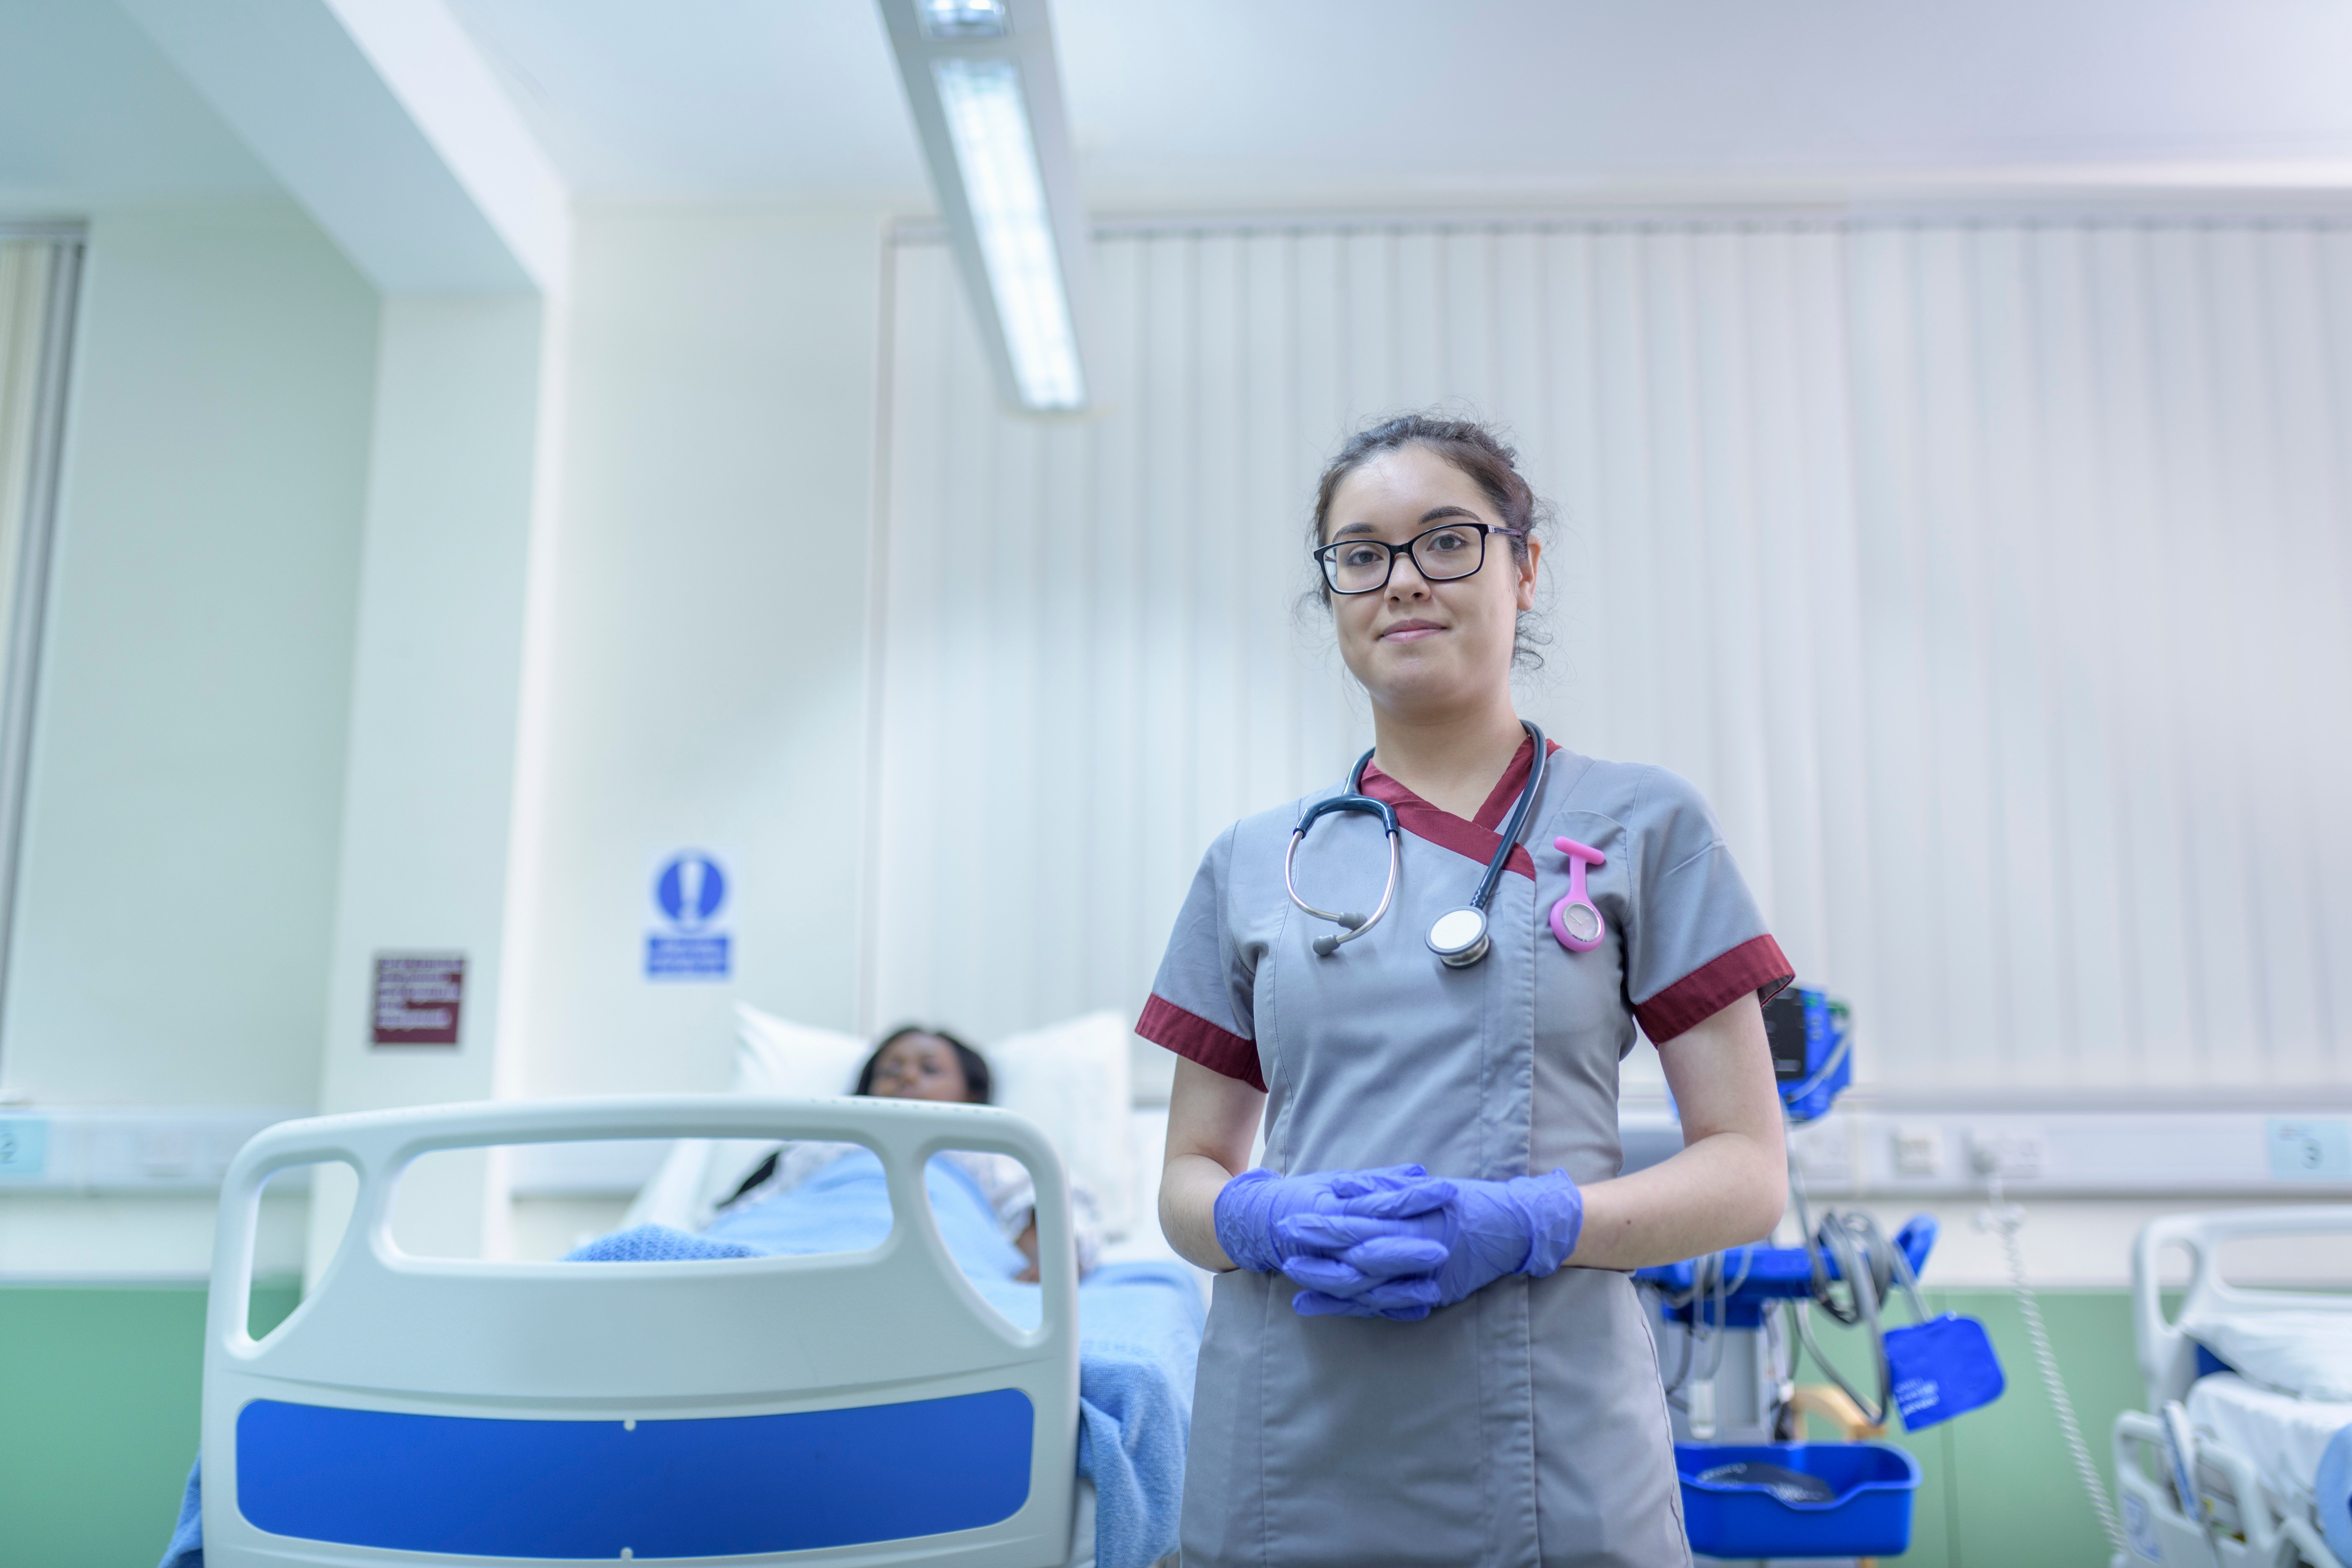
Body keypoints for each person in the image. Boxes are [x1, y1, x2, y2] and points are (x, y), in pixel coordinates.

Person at [1141, 414, 1793, 1566]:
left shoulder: (1641, 825)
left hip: (1551, 1435)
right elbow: (1188, 1175)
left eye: (1446, 540)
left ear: (1523, 567)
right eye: (1362, 554)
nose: (1402, 580)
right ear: (1333, 590)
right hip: (1289, 1434)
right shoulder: (1252, 861)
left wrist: (1538, 1222)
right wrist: (1256, 1217)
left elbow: (1747, 1170)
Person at [719, 1024, 1103, 1278]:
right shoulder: (825, 1144)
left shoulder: (985, 1148)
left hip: (939, 1266)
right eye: (891, 1071)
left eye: (930, 1070)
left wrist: (1049, 1263)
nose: (907, 1076)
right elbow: (756, 1212)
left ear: (971, 1094)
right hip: (798, 1251)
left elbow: (1054, 1208)